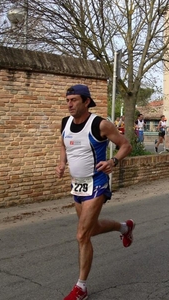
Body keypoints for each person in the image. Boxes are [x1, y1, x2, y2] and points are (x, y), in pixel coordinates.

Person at [56, 84, 134, 300]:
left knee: (82, 234)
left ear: (86, 101)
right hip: (78, 184)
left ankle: (81, 287)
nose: (69, 104)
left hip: (97, 182)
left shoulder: (99, 124)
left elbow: (125, 145)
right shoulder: (65, 122)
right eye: (67, 100)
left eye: (74, 100)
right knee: (90, 230)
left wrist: (113, 161)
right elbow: (63, 144)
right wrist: (61, 163)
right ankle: (124, 227)